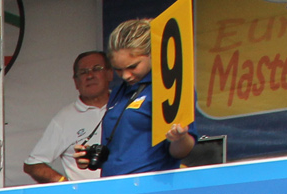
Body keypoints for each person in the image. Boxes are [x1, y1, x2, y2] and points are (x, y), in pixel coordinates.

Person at [82, 18, 194, 176]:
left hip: (150, 181)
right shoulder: (119, 91)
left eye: (133, 67)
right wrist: (92, 156)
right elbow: (121, 146)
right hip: (113, 183)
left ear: (152, 54)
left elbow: (182, 151)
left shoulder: (168, 88)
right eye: (118, 69)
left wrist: (180, 138)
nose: (126, 76)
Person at [24, 51, 112, 183]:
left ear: (110, 74)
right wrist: (64, 184)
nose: (90, 76)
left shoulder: (124, 106)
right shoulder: (65, 118)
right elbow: (33, 164)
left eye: (96, 69)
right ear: (76, 82)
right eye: (83, 72)